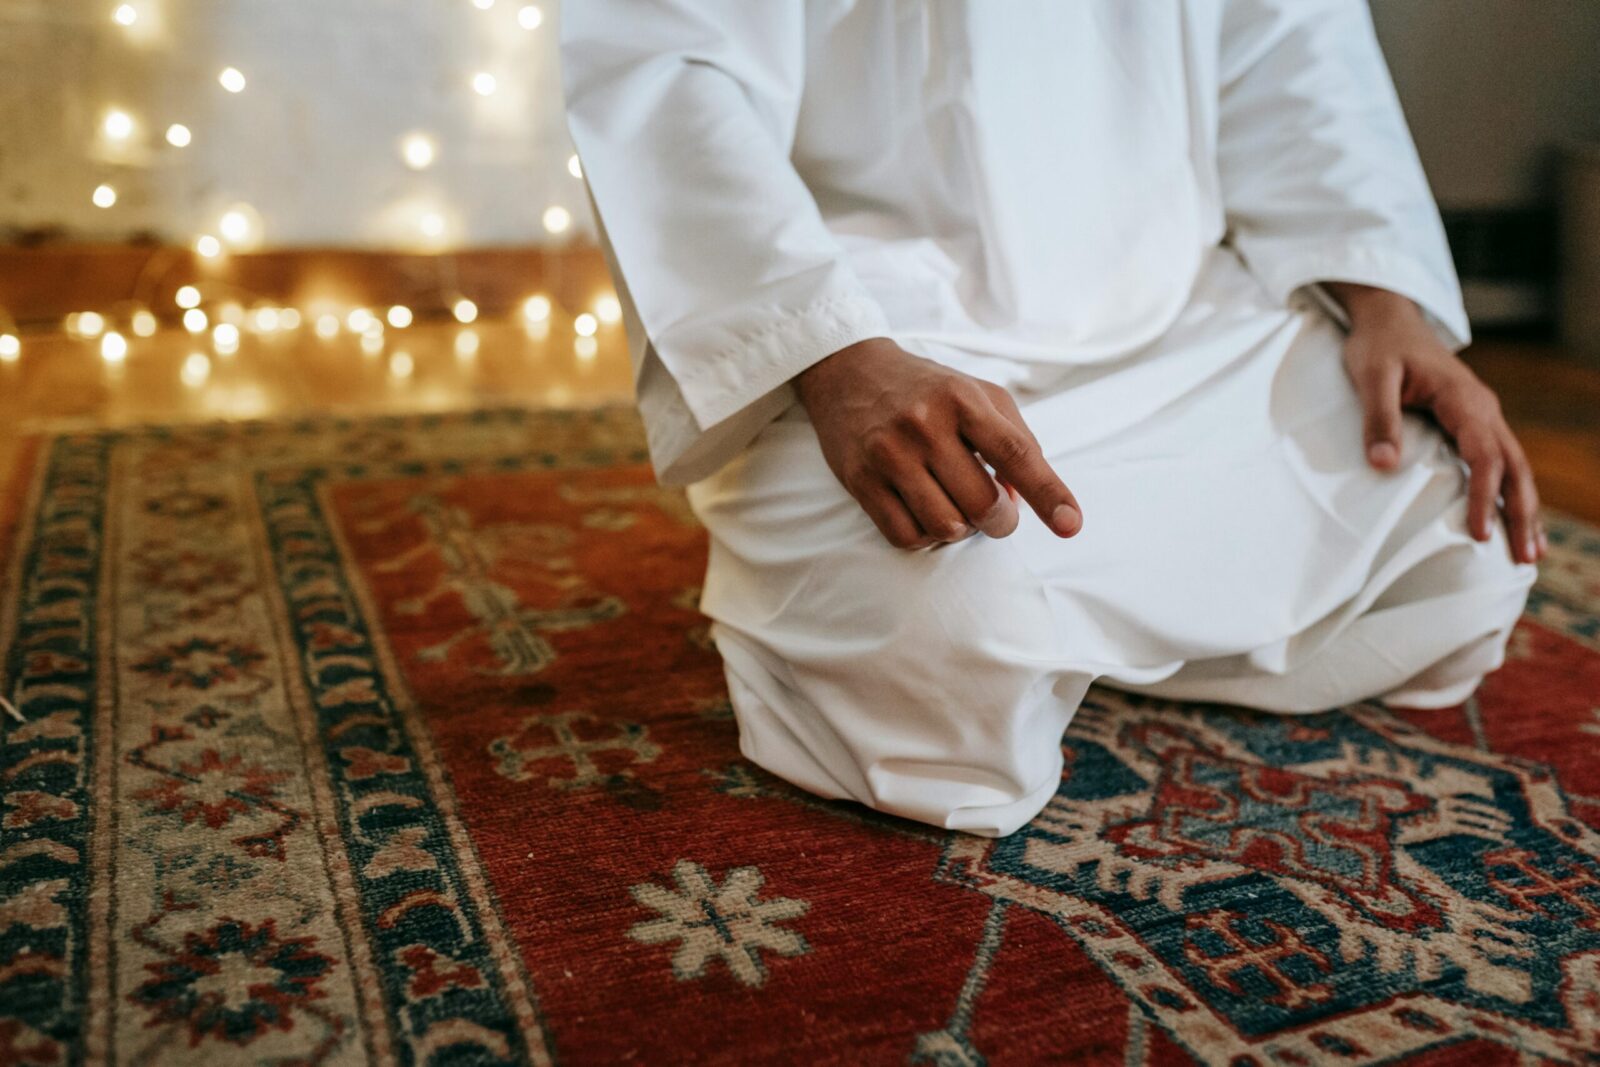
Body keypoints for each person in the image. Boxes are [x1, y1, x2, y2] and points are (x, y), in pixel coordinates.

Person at [560, 1, 1542, 836]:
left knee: (1471, 538)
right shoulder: (853, 350)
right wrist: (831, 359)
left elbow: (1289, 47)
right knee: (941, 662)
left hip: (1185, 315)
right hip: (882, 334)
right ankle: (1094, 619)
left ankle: (1085, 632)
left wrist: (1384, 308)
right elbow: (670, 74)